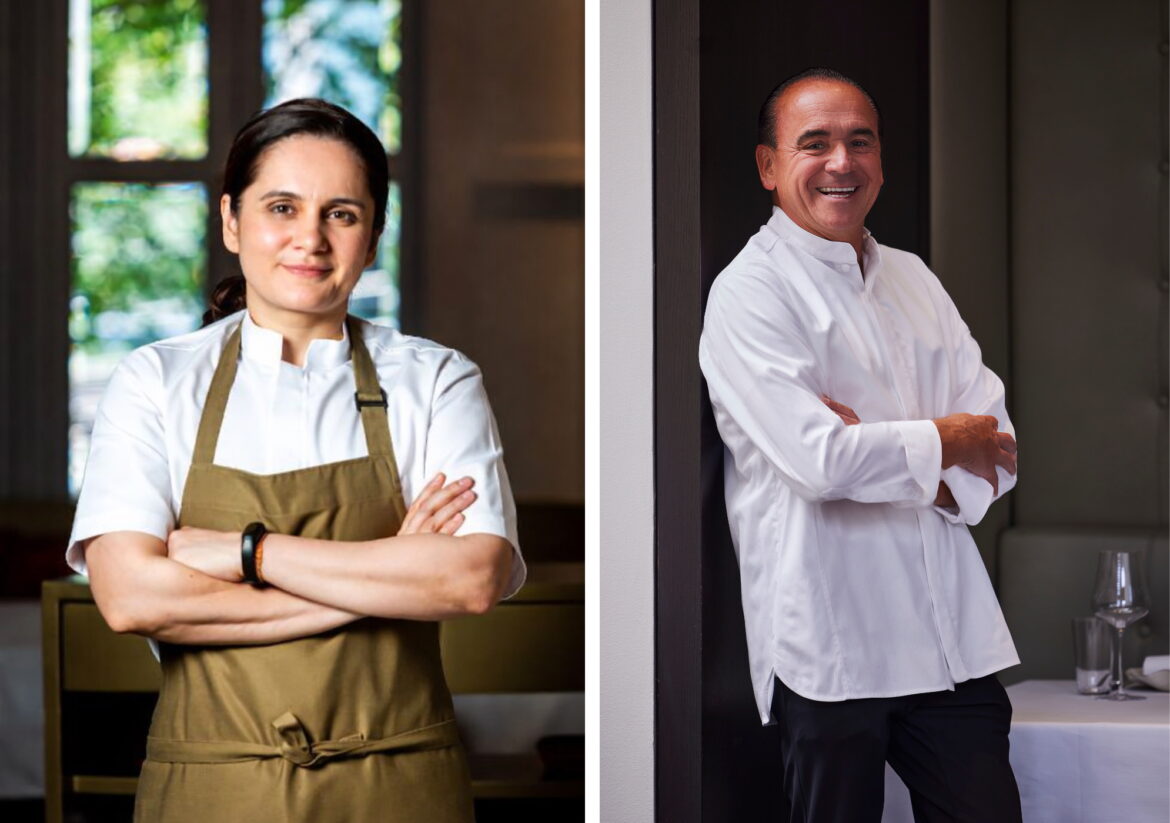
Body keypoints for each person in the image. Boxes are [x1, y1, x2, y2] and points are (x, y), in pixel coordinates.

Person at [67, 98, 525, 822]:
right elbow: (130, 598)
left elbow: (469, 578)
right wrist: (388, 573)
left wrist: (245, 551)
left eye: (341, 213)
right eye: (282, 206)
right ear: (231, 220)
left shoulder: (436, 379)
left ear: (373, 236)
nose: (309, 238)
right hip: (212, 788)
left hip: (401, 784)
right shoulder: (154, 381)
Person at [698, 68, 1022, 822]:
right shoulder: (749, 292)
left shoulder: (913, 276)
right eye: (815, 143)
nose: (842, 161)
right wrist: (943, 439)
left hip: (952, 642)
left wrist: (886, 445)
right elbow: (819, 462)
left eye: (860, 141)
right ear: (769, 167)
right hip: (830, 645)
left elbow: (998, 444)